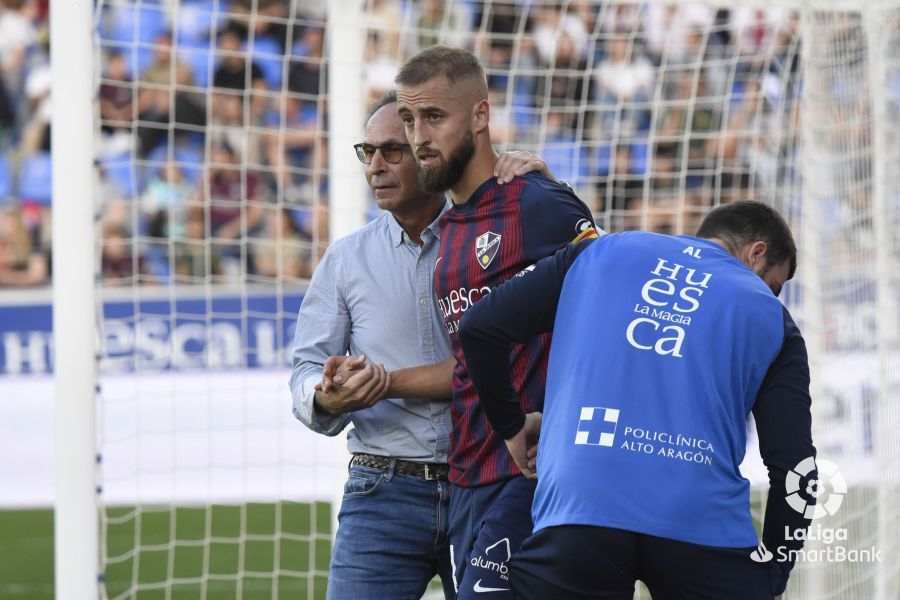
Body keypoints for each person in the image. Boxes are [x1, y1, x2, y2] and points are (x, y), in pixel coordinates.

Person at [458, 200, 816, 600]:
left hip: (579, 504)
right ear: (757, 252)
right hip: (701, 521)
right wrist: (775, 571)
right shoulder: (771, 317)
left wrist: (512, 426)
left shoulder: (598, 252)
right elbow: (796, 468)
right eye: (773, 286)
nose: (770, 296)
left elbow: (478, 327)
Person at [289, 90, 556, 600]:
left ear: (429, 154)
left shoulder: (497, 233)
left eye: (393, 150)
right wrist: (328, 396)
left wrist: (539, 186)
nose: (376, 167)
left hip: (489, 481)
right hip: (381, 486)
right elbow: (304, 373)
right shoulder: (344, 261)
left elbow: (505, 356)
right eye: (367, 153)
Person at [393, 46, 597, 599]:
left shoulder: (536, 202)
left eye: (434, 117)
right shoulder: (449, 228)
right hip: (470, 477)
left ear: (480, 116)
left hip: (537, 473)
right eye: (409, 119)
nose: (418, 137)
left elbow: (607, 284)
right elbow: (468, 361)